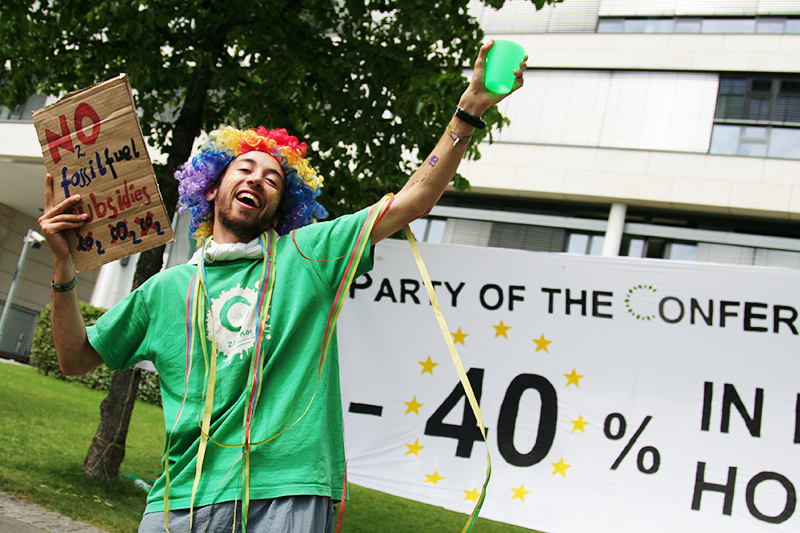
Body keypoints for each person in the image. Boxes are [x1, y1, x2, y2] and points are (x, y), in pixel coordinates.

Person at [38, 41, 526, 533]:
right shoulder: (165, 290)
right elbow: (75, 358)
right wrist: (63, 268)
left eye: (273, 179)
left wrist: (469, 109)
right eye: (245, 169)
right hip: (180, 502)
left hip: (289, 492)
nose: (258, 179)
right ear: (212, 188)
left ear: (281, 206)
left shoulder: (311, 254)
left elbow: (415, 199)